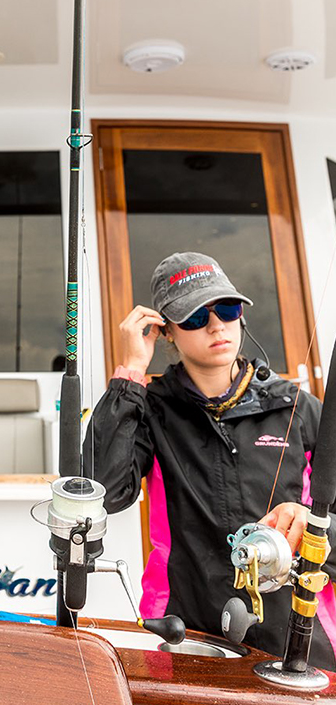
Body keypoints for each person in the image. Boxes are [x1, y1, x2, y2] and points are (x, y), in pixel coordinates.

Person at [85, 251, 336, 669]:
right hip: (187, 630)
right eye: (196, 317)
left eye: (227, 308)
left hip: (302, 636)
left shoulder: (298, 407)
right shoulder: (150, 408)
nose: (217, 324)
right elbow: (102, 493)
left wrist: (308, 529)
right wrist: (129, 373)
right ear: (165, 332)